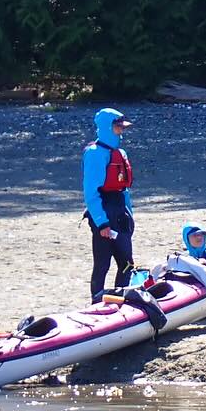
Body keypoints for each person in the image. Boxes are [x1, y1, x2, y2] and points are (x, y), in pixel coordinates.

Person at [82, 107, 136, 302]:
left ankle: (121, 300)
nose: (121, 131)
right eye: (118, 128)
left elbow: (124, 190)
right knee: (102, 264)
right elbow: (91, 192)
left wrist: (130, 215)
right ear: (107, 127)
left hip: (121, 213)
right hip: (104, 213)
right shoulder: (94, 154)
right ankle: (96, 302)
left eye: (122, 128)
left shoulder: (120, 152)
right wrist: (102, 223)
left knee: (127, 263)